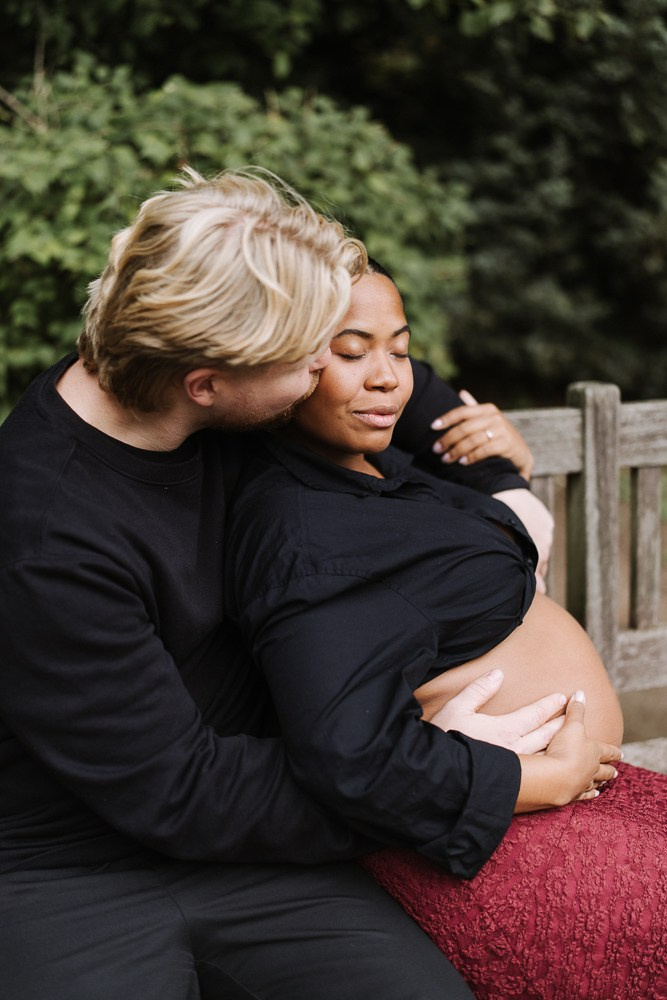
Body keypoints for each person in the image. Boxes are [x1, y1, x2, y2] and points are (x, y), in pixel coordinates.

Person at [0, 167, 493, 1000]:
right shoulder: (43, 535)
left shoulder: (174, 348)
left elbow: (377, 363)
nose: (333, 372)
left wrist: (500, 476)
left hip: (255, 852)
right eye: (314, 359)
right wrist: (450, 775)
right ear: (207, 385)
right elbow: (180, 789)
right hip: (61, 867)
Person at [225, 262, 667, 998]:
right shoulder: (302, 529)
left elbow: (426, 395)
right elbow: (343, 748)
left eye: (396, 349)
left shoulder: (367, 460)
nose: (388, 377)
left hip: (568, 797)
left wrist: (500, 471)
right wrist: (522, 776)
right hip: (500, 826)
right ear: (283, 363)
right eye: (350, 350)